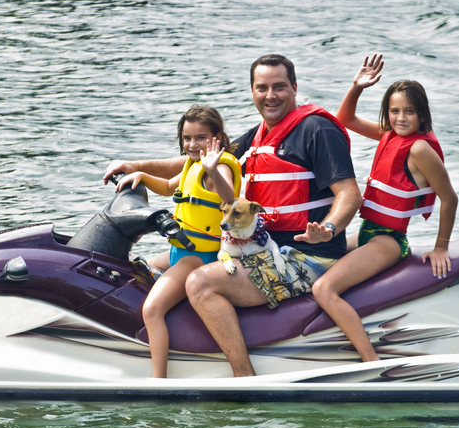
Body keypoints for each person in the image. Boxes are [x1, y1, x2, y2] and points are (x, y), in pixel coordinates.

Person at [104, 54, 362, 377]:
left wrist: (329, 227)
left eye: (279, 87)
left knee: (199, 283)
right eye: (262, 87)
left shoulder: (317, 130)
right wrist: (136, 167)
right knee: (153, 263)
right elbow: (194, 161)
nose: (271, 95)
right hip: (261, 250)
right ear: (252, 92)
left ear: (295, 88)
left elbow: (350, 194)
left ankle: (244, 377)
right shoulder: (258, 137)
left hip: (304, 255)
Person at [310, 54, 458, 362]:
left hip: (388, 241)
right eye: (394, 111)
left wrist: (441, 247)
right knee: (314, 254)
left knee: (324, 289)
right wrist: (356, 86)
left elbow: (450, 198)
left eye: (409, 112)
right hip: (368, 232)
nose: (401, 118)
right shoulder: (389, 135)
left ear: (422, 116)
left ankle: (371, 363)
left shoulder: (419, 149)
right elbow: (345, 119)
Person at [116, 105, 241, 378]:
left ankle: (158, 378)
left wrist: (213, 169)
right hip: (181, 251)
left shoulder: (217, 167)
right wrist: (140, 176)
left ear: (216, 138)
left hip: (199, 257)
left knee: (151, 309)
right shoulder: (191, 164)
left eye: (200, 138)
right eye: (187, 138)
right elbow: (167, 187)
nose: (192, 144)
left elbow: (229, 197)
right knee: (143, 266)